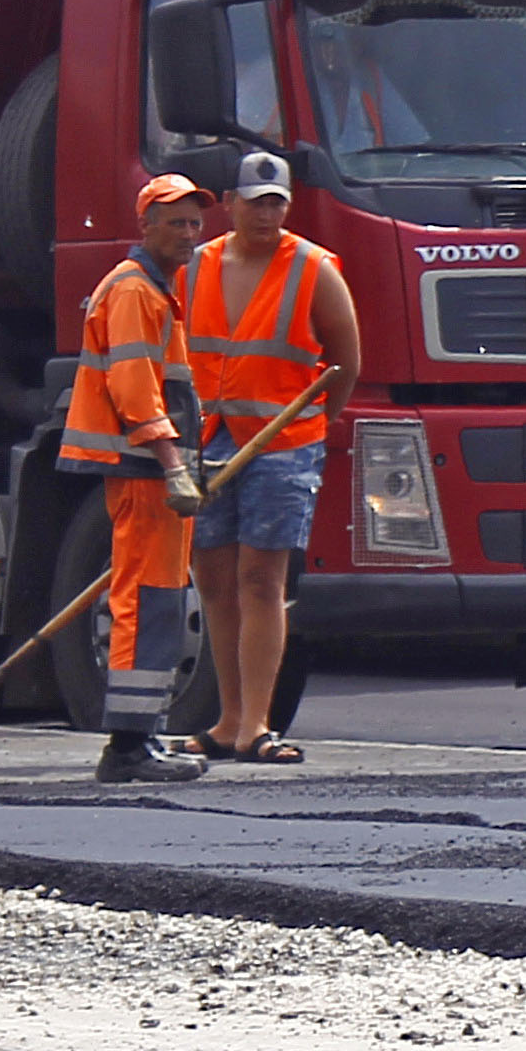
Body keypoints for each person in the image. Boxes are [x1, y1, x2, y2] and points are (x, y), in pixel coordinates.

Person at [179, 154, 357, 765]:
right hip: (206, 441)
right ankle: (227, 721)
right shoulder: (195, 267)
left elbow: (344, 363)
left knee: (261, 580)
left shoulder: (312, 268)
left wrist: (310, 429)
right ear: (230, 202)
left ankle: (257, 723)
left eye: (276, 201)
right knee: (214, 582)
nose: (267, 211)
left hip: (282, 442)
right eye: (256, 200)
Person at [63, 176, 215, 782]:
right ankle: (127, 748)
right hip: (144, 470)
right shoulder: (134, 292)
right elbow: (135, 392)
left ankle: (140, 738)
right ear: (145, 226)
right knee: (147, 601)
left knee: (157, 599)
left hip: (150, 470)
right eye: (175, 223)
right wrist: (175, 464)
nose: (189, 235)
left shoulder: (155, 289)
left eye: (195, 224)